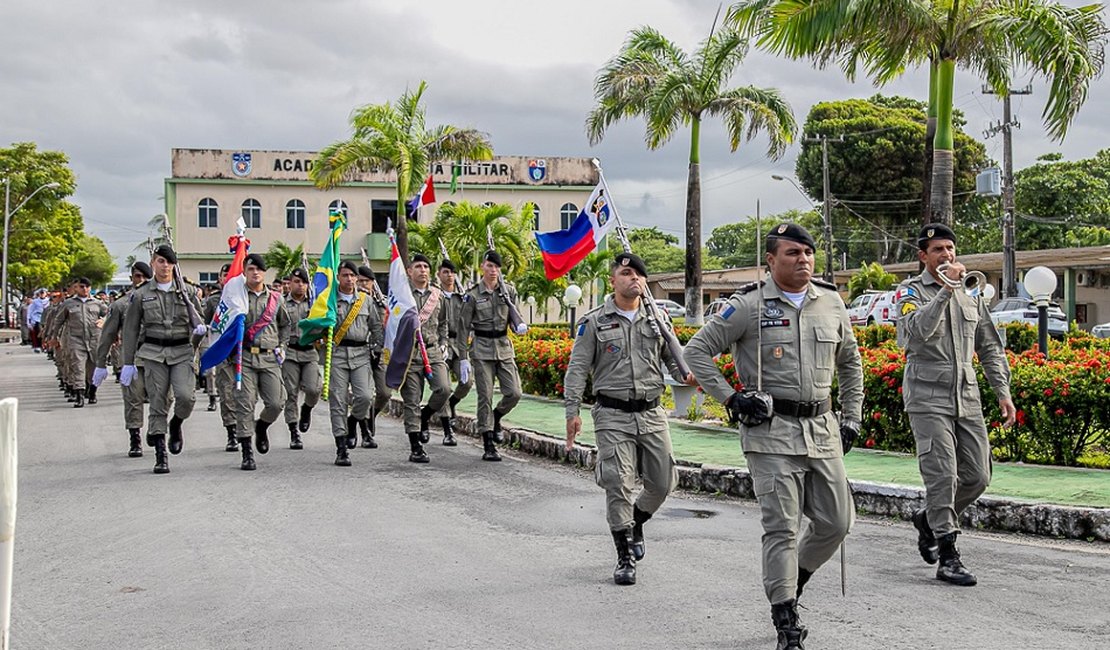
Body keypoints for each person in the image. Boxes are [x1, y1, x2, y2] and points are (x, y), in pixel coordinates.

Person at [684, 223, 864, 650]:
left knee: (837, 522)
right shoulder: (746, 306)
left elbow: (851, 364)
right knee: (782, 527)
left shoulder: (832, 302)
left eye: (807, 252)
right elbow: (696, 352)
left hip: (821, 429)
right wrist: (732, 398)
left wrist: (852, 416)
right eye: (792, 253)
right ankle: (785, 615)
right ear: (770, 260)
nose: (803, 259)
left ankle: (793, 580)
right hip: (770, 433)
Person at [563, 253, 695, 586]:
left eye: (638, 274)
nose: (633, 278)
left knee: (663, 482)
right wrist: (572, 411)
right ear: (613, 280)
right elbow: (577, 369)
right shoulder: (594, 322)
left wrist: (689, 372)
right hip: (612, 414)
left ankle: (635, 523)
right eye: (625, 273)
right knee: (618, 483)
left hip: (652, 413)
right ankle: (624, 556)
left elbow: (675, 359)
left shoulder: (658, 319)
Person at [895, 223, 1016, 587]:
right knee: (942, 475)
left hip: (967, 393)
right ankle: (948, 555)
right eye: (937, 250)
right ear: (923, 256)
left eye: (950, 248)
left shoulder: (971, 293)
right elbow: (916, 333)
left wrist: (1003, 392)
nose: (946, 255)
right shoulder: (909, 291)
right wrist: (946, 290)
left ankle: (928, 519)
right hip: (927, 395)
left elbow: (990, 346)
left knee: (979, 476)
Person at [120, 244, 206, 474]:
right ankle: (161, 454)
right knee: (158, 401)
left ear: (174, 265)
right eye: (160, 261)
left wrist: (199, 337)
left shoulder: (187, 293)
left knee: (186, 397)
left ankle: (176, 423)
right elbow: (130, 330)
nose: (164, 265)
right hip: (153, 353)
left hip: (182, 352)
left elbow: (199, 323)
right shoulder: (141, 295)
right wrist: (128, 362)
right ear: (153, 263)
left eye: (168, 261)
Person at [458, 250, 526, 461]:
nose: (493, 270)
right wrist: (462, 358)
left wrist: (520, 325)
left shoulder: (509, 291)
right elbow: (463, 327)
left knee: (514, 392)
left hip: (504, 347)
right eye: (489, 266)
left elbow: (514, 317)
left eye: (496, 267)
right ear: (482, 268)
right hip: (482, 349)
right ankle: (488, 442)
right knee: (485, 396)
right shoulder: (473, 295)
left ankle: (496, 417)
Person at [228, 254, 291, 471]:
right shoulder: (237, 297)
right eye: (251, 268)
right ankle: (247, 452)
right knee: (245, 403)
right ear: (244, 271)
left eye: (259, 269)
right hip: (244, 356)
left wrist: (282, 346)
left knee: (276, 402)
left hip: (269, 357)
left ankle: (262, 426)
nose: (255, 273)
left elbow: (285, 325)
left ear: (265, 273)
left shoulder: (275, 298)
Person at [319, 261, 380, 467]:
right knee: (338, 400)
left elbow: (376, 326)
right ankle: (341, 447)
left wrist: (379, 350)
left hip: (361, 353)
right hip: (336, 353)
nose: (349, 279)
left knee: (364, 396)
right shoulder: (328, 299)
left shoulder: (366, 300)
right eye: (344, 275)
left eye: (352, 276)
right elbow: (315, 325)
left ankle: (353, 421)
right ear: (338, 277)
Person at [92, 261, 153, 457]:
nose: (141, 280)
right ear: (131, 279)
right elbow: (108, 334)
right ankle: (135, 438)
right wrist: (100, 363)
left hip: (157, 358)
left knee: (163, 399)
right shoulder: (120, 304)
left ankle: (156, 431)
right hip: (132, 359)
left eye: (145, 277)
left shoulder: (160, 300)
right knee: (133, 399)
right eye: (137, 276)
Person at [399, 253, 451, 463]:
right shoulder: (401, 296)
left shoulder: (437, 296)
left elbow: (444, 323)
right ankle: (415, 446)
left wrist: (444, 343)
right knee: (411, 399)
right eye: (418, 266)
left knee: (444, 389)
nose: (422, 270)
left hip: (432, 350)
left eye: (426, 267)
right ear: (409, 271)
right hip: (409, 353)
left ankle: (426, 415)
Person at [52, 277, 108, 407]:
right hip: (76, 339)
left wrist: (103, 320)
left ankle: (92, 392)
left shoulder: (97, 303)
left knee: (93, 368)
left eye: (87, 287)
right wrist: (54, 337)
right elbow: (58, 321)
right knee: (78, 367)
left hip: (94, 339)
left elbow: (110, 314)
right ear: (77, 288)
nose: (84, 289)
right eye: (82, 287)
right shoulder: (69, 304)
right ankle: (79, 396)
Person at [282, 267, 321, 449]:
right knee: (290, 393)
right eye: (297, 282)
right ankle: (293, 432)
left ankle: (307, 408)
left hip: (310, 351)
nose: (300, 285)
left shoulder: (314, 304)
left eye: (304, 282)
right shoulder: (282, 304)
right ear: (289, 283)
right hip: (289, 352)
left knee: (314, 389)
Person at [435, 257, 471, 445]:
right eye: (445, 272)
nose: (449, 276)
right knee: (444, 387)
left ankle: (453, 403)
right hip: (440, 343)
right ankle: (448, 430)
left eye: (452, 272)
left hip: (459, 343)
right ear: (439, 274)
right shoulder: (434, 296)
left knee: (466, 382)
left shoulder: (462, 297)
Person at [204, 263, 240, 452]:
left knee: (245, 393)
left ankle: (245, 428)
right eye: (225, 275)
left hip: (243, 351)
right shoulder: (213, 301)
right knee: (226, 393)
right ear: (220, 279)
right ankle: (232, 432)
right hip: (223, 353)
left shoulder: (244, 297)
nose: (228, 277)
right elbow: (207, 324)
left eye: (231, 273)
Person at [358, 265, 390, 447]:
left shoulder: (382, 304)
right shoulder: (352, 302)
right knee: (364, 394)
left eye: (366, 281)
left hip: (381, 352)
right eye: (360, 280)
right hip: (359, 352)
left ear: (372, 283)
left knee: (385, 393)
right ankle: (365, 432)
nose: (363, 284)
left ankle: (371, 415)